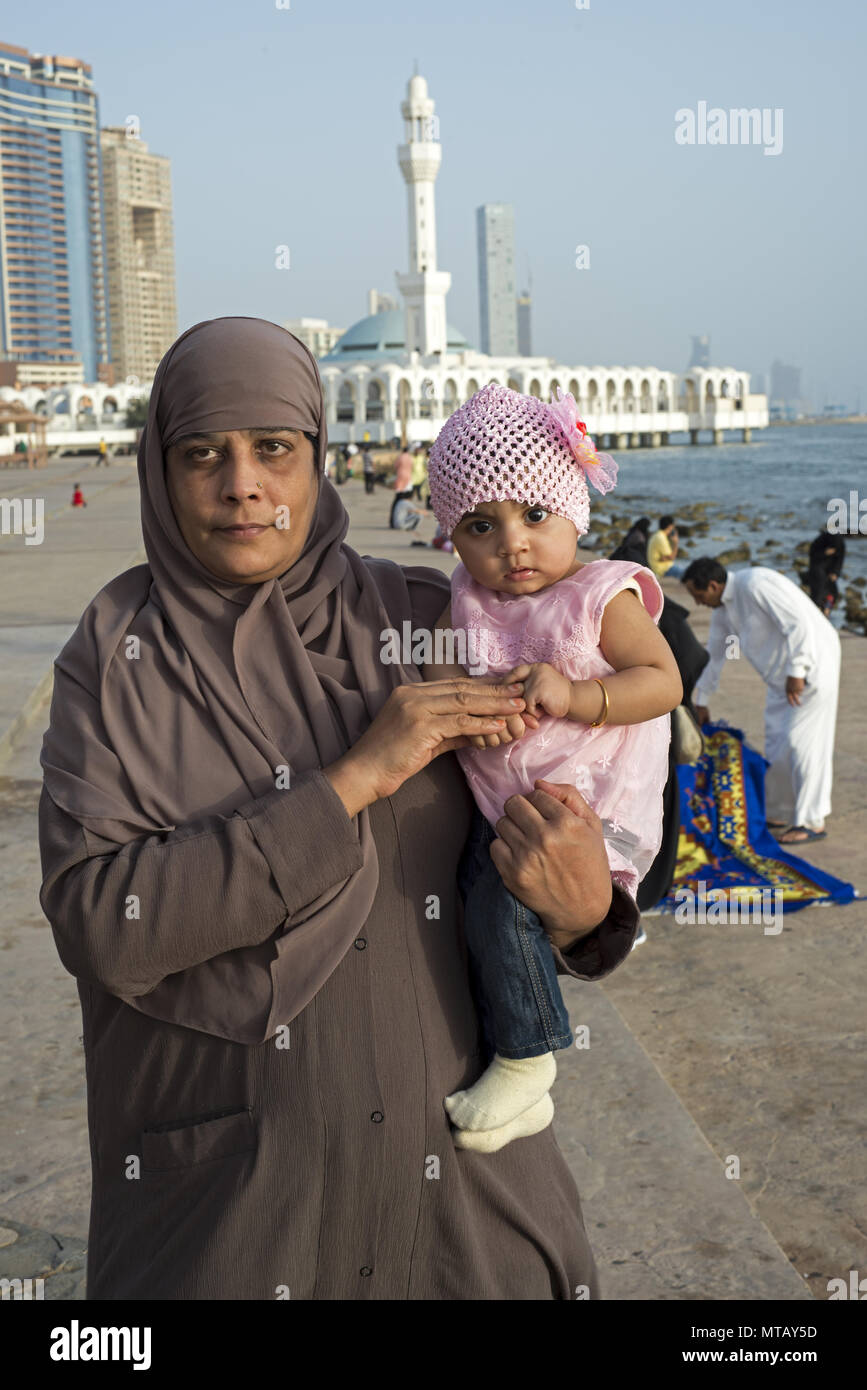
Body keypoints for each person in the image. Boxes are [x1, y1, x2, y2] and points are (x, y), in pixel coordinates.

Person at [38, 317, 640, 1301]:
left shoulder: (433, 621)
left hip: (465, 1225)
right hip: (233, 1225)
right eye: (203, 454)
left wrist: (587, 909)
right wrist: (353, 780)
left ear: (318, 459)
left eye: (274, 448)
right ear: (161, 469)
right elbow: (106, 924)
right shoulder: (120, 660)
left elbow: (573, 800)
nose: (243, 483)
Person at [424, 385, 680, 1148]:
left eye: (534, 515)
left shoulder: (600, 596)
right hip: (506, 808)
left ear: (573, 511)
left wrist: (576, 693)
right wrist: (463, 706)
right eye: (481, 525)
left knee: (505, 913)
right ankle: (509, 1054)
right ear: (453, 538)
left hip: (589, 809)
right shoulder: (465, 604)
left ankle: (529, 1057)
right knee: (477, 913)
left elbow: (661, 681)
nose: (513, 544)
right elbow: (436, 683)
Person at [683, 556, 841, 845]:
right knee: (777, 743)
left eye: (699, 595)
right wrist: (702, 700)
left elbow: (799, 623)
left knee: (802, 744)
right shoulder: (724, 612)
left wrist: (798, 670)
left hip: (813, 665)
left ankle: (812, 821)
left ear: (715, 585)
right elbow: (716, 656)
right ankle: (780, 812)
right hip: (782, 678)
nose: (698, 603)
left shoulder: (756, 584)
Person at [807, 528, 845, 617]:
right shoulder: (820, 540)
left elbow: (840, 559)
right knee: (818, 593)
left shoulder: (839, 542)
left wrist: (835, 572)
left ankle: (826, 611)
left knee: (833, 593)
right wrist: (824, 553)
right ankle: (816, 613)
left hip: (830, 571)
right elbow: (812, 555)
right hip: (817, 569)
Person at [647, 515, 684, 579]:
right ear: (670, 526)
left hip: (659, 567)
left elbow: (666, 557)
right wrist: (676, 542)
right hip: (663, 569)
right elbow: (672, 557)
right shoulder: (661, 538)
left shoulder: (657, 535)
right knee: (685, 574)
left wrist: (665, 558)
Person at [390, 441, 414, 527]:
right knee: (406, 501)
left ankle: (393, 521)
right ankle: (405, 519)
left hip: (400, 479)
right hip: (408, 480)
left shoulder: (400, 457)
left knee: (397, 500)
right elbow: (412, 467)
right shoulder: (410, 458)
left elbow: (395, 466)